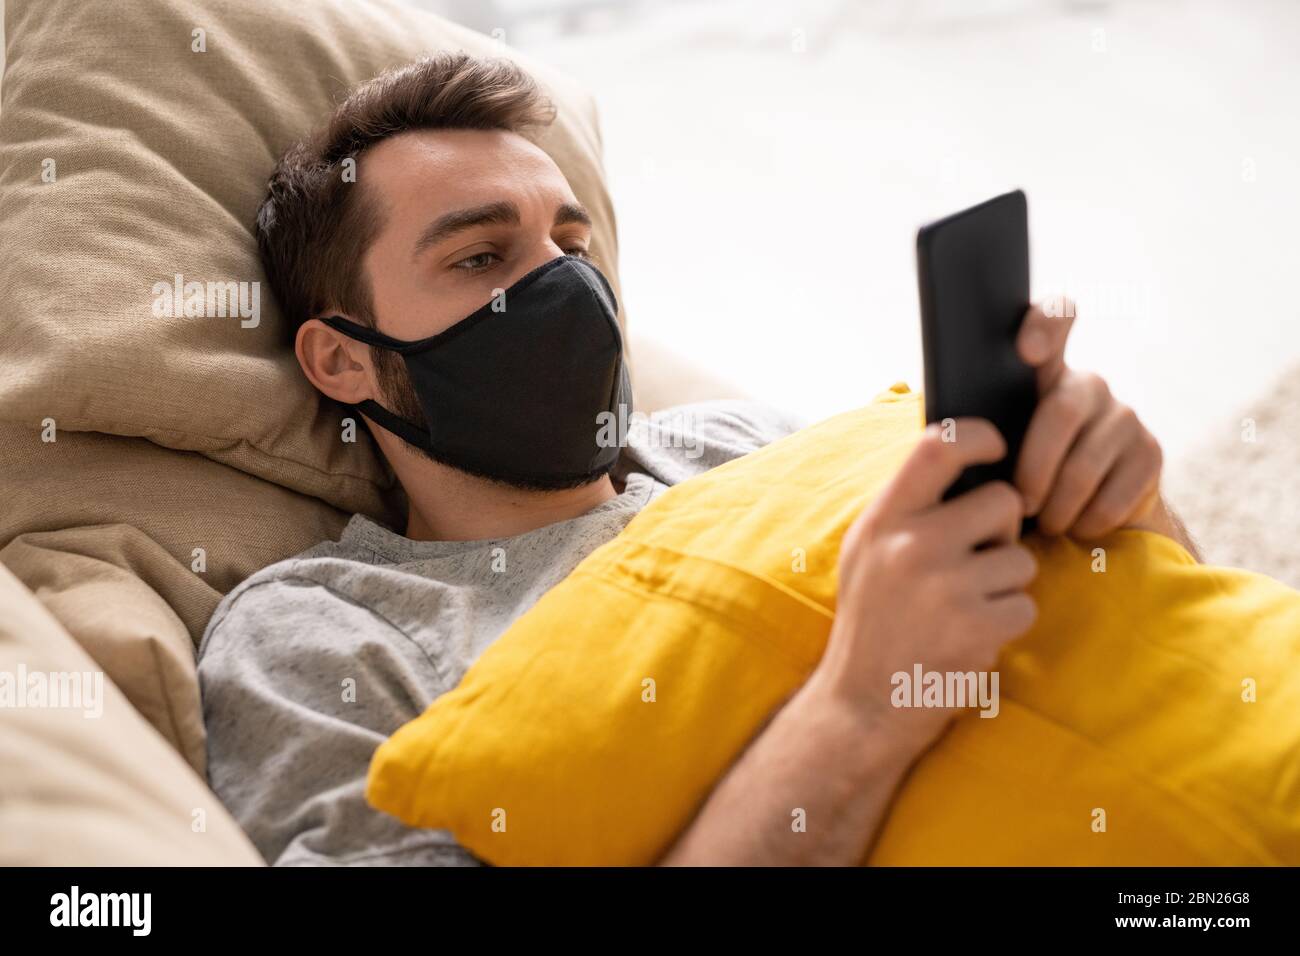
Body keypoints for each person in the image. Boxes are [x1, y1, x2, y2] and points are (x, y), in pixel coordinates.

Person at [198, 52, 1199, 866]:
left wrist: (1130, 503)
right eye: (480, 258)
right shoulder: (321, 634)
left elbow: (1171, 625)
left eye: (572, 244)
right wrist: (858, 708)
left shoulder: (741, 443)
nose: (562, 287)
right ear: (344, 358)